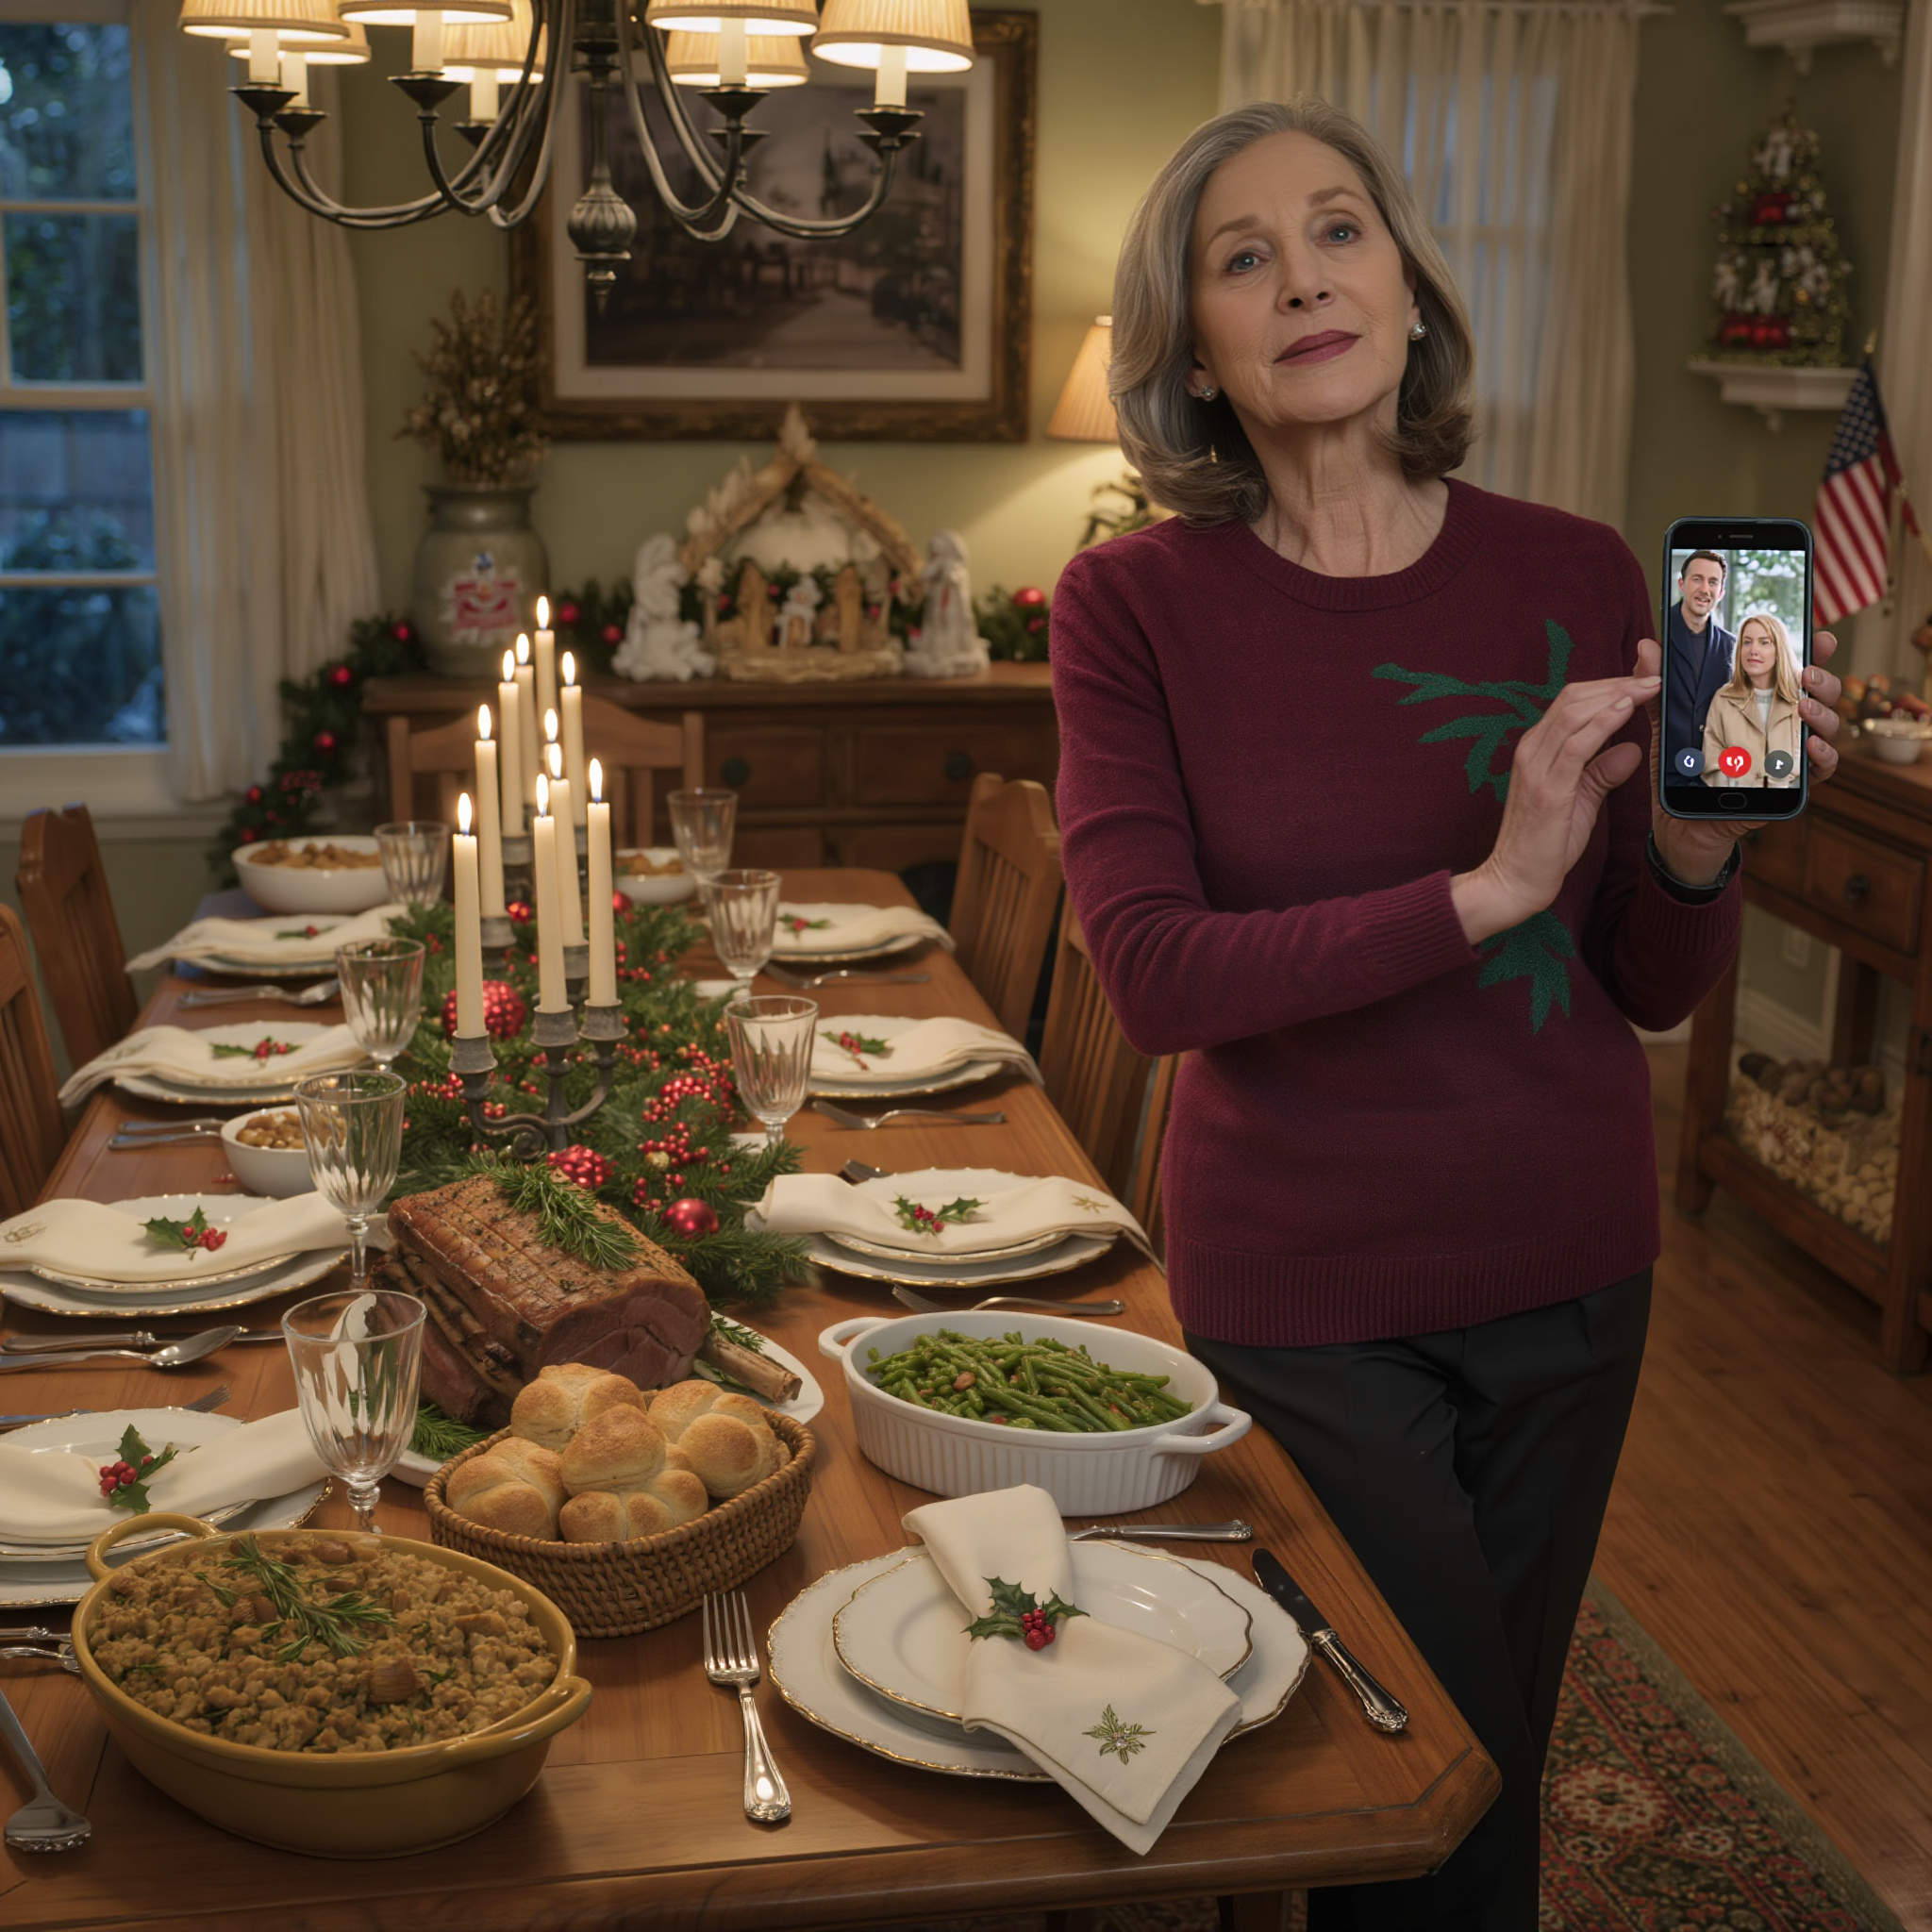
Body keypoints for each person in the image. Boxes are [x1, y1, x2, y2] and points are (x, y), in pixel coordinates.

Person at [1047, 97, 1843, 1931]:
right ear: (1193, 351)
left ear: (1408, 288)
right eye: (1240, 257)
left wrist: (1703, 846)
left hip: (1572, 1266)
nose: (1303, 276)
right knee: (1430, 1770)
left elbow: (1642, 972)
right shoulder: (1130, 605)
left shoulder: (1571, 569)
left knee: (1494, 1738)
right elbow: (1155, 973)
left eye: (1340, 231)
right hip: (1304, 1294)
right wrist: (1486, 884)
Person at [1703, 612, 1803, 787]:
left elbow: (1802, 762)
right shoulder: (1723, 698)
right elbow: (1712, 758)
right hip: (1732, 805)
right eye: (1747, 642)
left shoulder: (1800, 701)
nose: (1753, 650)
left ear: (1779, 650)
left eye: (1764, 643)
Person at [1665, 551, 1737, 766]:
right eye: (1697, 579)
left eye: (1713, 582)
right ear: (1681, 584)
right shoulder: (1655, 633)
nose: (1704, 589)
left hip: (1713, 771)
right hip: (1663, 768)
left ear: (1721, 592)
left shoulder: (1733, 647)